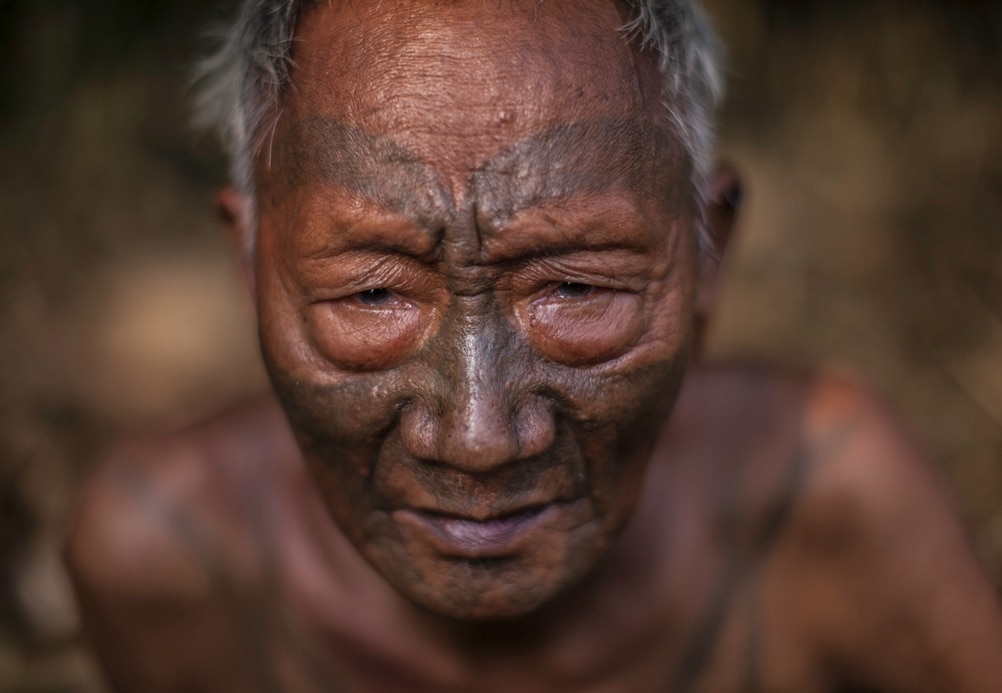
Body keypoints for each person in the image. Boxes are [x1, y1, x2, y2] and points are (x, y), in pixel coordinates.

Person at [64, 0, 1002, 690]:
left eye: (576, 286)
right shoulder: (171, 563)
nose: (478, 435)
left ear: (707, 258)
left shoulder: (824, 511)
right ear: (249, 265)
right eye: (375, 292)